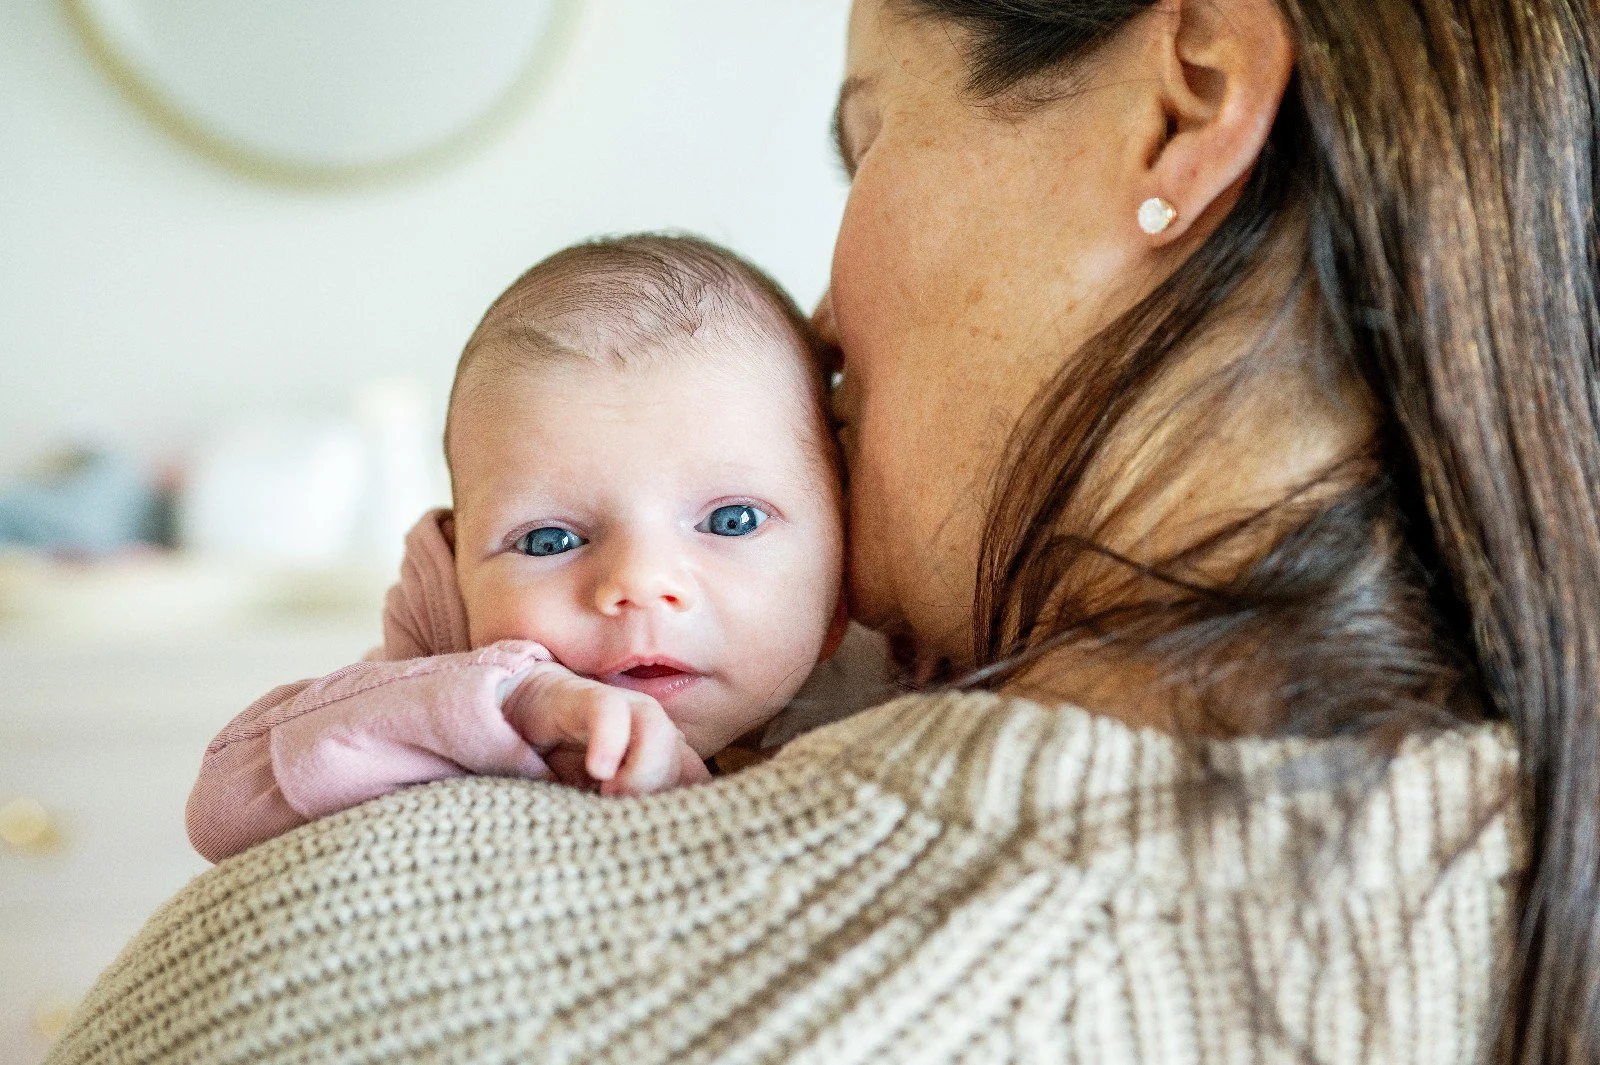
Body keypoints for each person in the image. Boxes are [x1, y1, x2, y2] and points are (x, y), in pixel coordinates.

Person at [48, 0, 1596, 1062]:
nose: (822, 308)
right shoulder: (1538, 891)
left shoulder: (358, 974)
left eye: (869, 139)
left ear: (1183, 102)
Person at [185, 234, 862, 863]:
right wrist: (512, 708)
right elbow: (221, 805)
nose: (640, 582)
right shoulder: (428, 683)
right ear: (455, 576)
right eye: (551, 540)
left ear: (841, 578)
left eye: (733, 520)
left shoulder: (878, 720)